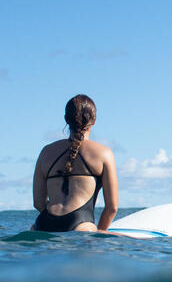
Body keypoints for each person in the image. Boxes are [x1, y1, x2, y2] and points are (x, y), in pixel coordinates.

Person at [31, 94, 119, 232]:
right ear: (94, 120)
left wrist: (55, 222)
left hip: (44, 223)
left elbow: (38, 202)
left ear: (66, 119)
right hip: (80, 224)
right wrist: (100, 233)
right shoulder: (103, 153)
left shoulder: (46, 152)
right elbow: (112, 207)